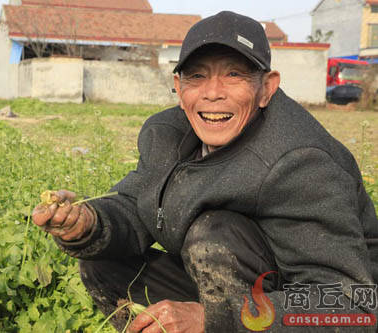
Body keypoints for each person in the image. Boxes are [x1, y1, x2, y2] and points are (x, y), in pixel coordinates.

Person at [32, 11, 378, 332]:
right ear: (179, 88)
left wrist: (210, 320)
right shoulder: (166, 134)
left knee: (213, 234)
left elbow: (353, 307)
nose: (213, 93)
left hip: (299, 309)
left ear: (266, 88)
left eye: (234, 74)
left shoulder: (301, 161)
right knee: (104, 264)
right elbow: (141, 204)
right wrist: (88, 224)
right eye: (197, 76)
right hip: (238, 292)